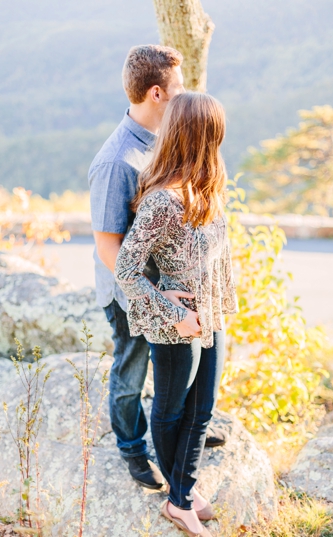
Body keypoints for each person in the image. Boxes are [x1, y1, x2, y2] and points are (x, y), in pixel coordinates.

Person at [88, 45, 226, 492]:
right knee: (131, 374)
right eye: (178, 88)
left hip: (168, 286)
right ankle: (133, 450)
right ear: (156, 94)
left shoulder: (166, 142)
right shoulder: (117, 161)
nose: (184, 95)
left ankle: (184, 438)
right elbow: (110, 248)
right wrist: (157, 296)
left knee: (171, 377)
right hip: (131, 292)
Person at [115, 92, 237, 537]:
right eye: (217, 129)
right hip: (177, 324)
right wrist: (174, 313)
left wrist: (219, 307)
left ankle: (183, 490)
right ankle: (179, 501)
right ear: (203, 134)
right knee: (171, 412)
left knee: (202, 408)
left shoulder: (207, 186)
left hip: (212, 316)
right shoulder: (161, 201)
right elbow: (127, 269)